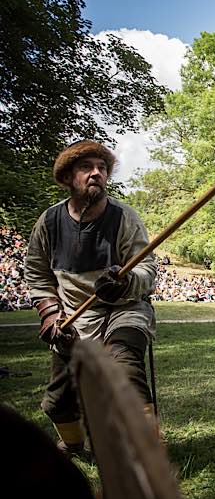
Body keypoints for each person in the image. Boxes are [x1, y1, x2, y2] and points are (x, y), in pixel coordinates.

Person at [24, 140, 157, 456]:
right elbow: (37, 273)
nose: (96, 173)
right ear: (69, 177)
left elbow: (147, 270)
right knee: (58, 401)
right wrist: (50, 314)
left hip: (124, 310)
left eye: (102, 168)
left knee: (125, 372)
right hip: (72, 316)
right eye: (86, 167)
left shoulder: (124, 217)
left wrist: (124, 284)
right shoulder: (49, 222)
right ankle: (72, 444)